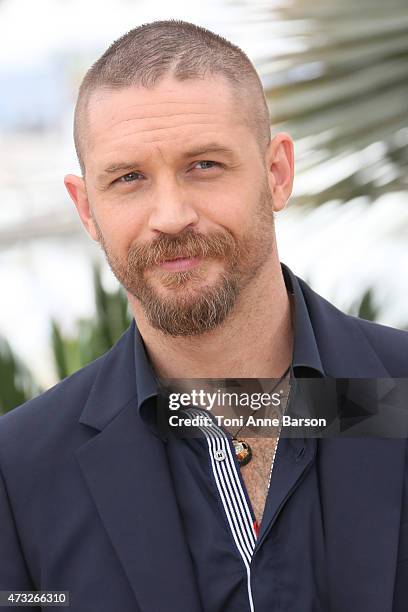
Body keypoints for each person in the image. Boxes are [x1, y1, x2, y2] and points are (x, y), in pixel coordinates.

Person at [0, 19, 408, 612]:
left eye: (204, 165)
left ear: (277, 174)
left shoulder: (398, 394)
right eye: (129, 178)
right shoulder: (20, 472)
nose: (170, 215)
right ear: (86, 208)